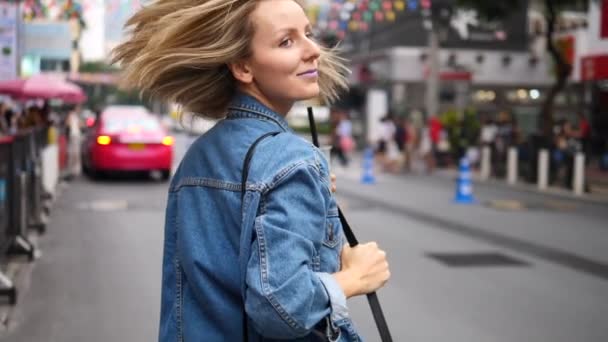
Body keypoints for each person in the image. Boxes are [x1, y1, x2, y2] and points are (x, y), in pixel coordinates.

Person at [112, 1, 390, 341]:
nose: (313, 50)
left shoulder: (198, 156)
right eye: (286, 41)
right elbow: (281, 308)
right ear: (243, 67)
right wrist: (355, 278)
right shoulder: (291, 158)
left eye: (307, 34)